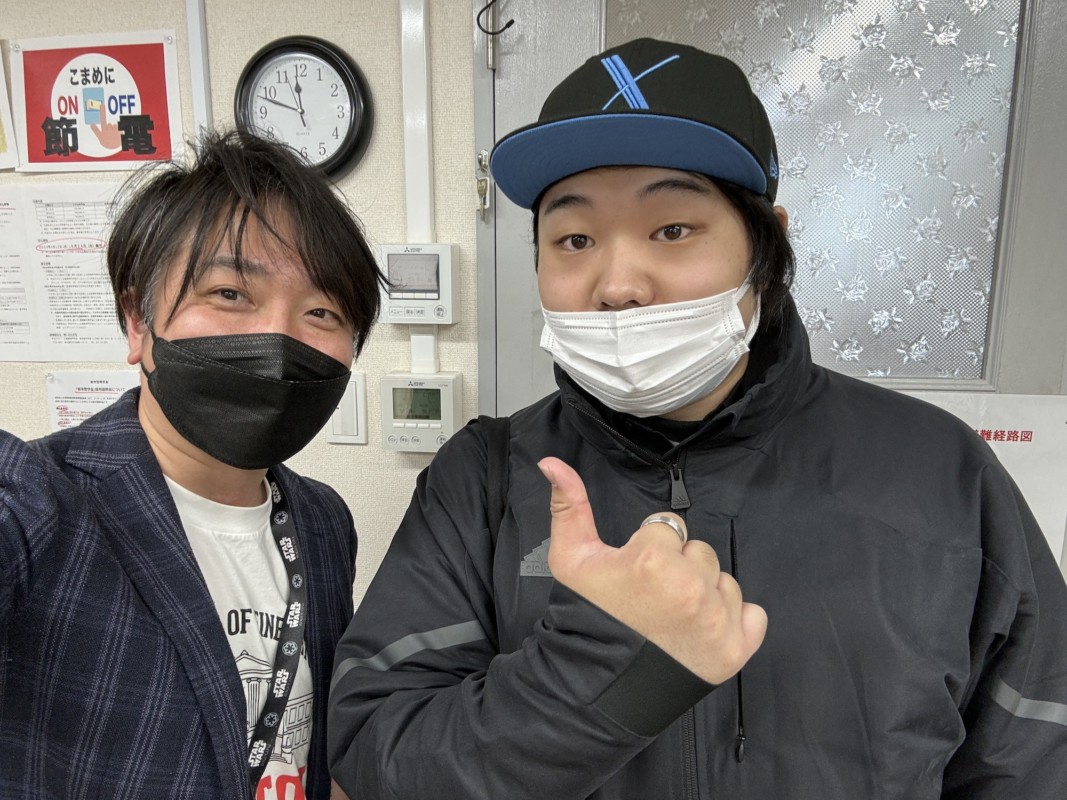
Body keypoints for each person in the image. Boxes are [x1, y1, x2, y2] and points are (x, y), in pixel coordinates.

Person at [327, 38, 1067, 799]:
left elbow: (1034, 757)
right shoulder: (483, 478)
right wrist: (599, 672)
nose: (618, 284)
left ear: (768, 245)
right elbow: (377, 756)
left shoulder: (939, 469)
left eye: (672, 229)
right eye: (574, 239)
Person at [0, 130, 384, 799]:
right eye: (230, 293)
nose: (278, 338)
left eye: (321, 311)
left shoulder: (323, 520)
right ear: (137, 320)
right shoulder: (37, 501)